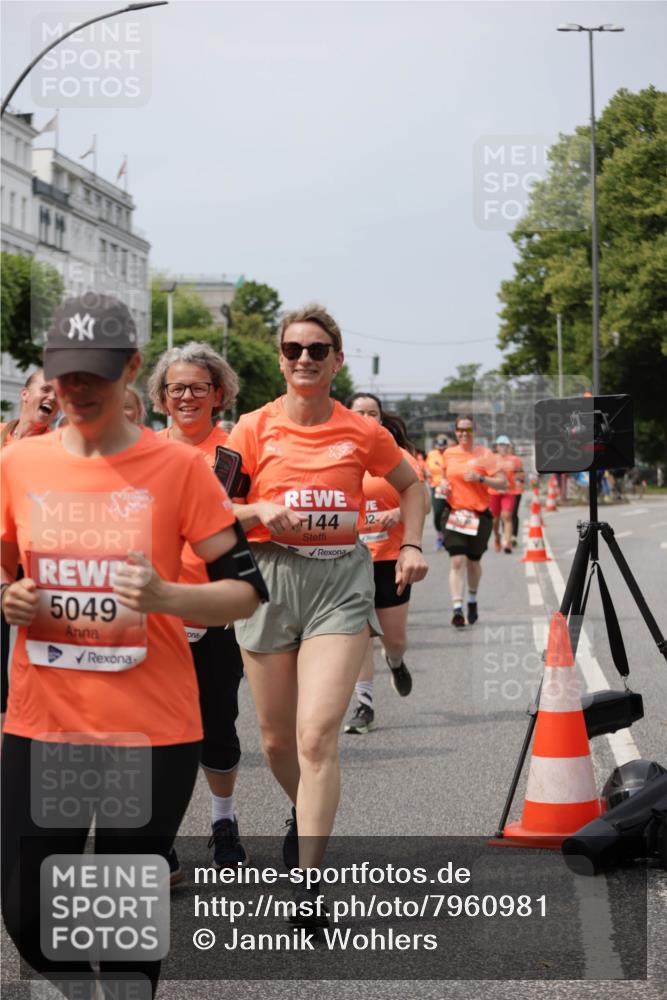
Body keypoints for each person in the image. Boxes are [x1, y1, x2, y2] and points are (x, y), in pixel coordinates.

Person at [1, 294, 265, 997]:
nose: (78, 388)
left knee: (120, 920)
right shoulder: (20, 464)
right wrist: (8, 595)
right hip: (44, 724)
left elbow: (244, 591)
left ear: (131, 368)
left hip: (149, 727)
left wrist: (167, 597)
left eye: (96, 371)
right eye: (65, 372)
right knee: (27, 912)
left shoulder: (179, 470)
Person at [226, 303, 427, 918]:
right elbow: (210, 508)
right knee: (276, 741)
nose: (305, 359)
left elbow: (414, 485)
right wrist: (258, 512)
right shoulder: (252, 429)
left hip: (339, 583)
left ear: (337, 360)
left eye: (318, 350)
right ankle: (306, 807)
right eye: (294, 350)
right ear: (281, 359)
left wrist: (413, 544)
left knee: (316, 737)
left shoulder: (361, 431)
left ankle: (310, 887)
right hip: (268, 580)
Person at [149, 341, 250, 870]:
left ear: (219, 394)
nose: (186, 396)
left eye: (198, 387)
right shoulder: (141, 449)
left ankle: (223, 820)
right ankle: (158, 840)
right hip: (155, 616)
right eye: (176, 388)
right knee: (154, 733)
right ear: (162, 398)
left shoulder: (237, 449)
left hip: (216, 612)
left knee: (218, 727)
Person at [344, 394, 429, 734]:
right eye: (359, 412)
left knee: (393, 638)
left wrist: (400, 514)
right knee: (359, 633)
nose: (366, 417)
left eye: (372, 413)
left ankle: (395, 661)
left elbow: (420, 501)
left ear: (381, 418)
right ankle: (364, 705)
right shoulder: (336, 456)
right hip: (348, 559)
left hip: (391, 560)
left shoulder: (399, 457)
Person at [1, 370, 60, 729]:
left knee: (42, 660)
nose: (51, 398)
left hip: (35, 563)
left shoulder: (57, 448)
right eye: (45, 390)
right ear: (25, 394)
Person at [440, 415, 507, 627]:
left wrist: (481, 478)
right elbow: (444, 476)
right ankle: (457, 608)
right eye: (459, 430)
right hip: (455, 514)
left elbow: (502, 484)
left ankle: (472, 600)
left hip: (479, 516)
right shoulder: (448, 453)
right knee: (457, 561)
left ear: (474, 432)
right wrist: (443, 485)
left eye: (467, 430)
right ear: (455, 432)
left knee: (474, 563)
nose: (463, 434)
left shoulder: (485, 454)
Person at [489, 434, 522, 554]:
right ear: (496, 446)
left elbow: (520, 474)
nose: (503, 447)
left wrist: (512, 479)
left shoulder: (515, 460)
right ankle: (497, 537)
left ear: (509, 446)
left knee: (507, 516)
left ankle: (507, 543)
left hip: (509, 492)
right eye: (501, 445)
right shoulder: (491, 458)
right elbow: (486, 475)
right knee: (495, 520)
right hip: (494, 493)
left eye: (505, 445)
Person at [424, 435, 450, 550]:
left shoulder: (450, 454)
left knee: (449, 512)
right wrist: (427, 472)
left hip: (450, 487)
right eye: (439, 447)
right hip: (436, 486)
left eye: (443, 447)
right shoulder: (431, 454)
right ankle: (440, 534)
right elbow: (426, 467)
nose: (441, 449)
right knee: (438, 512)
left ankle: (449, 537)